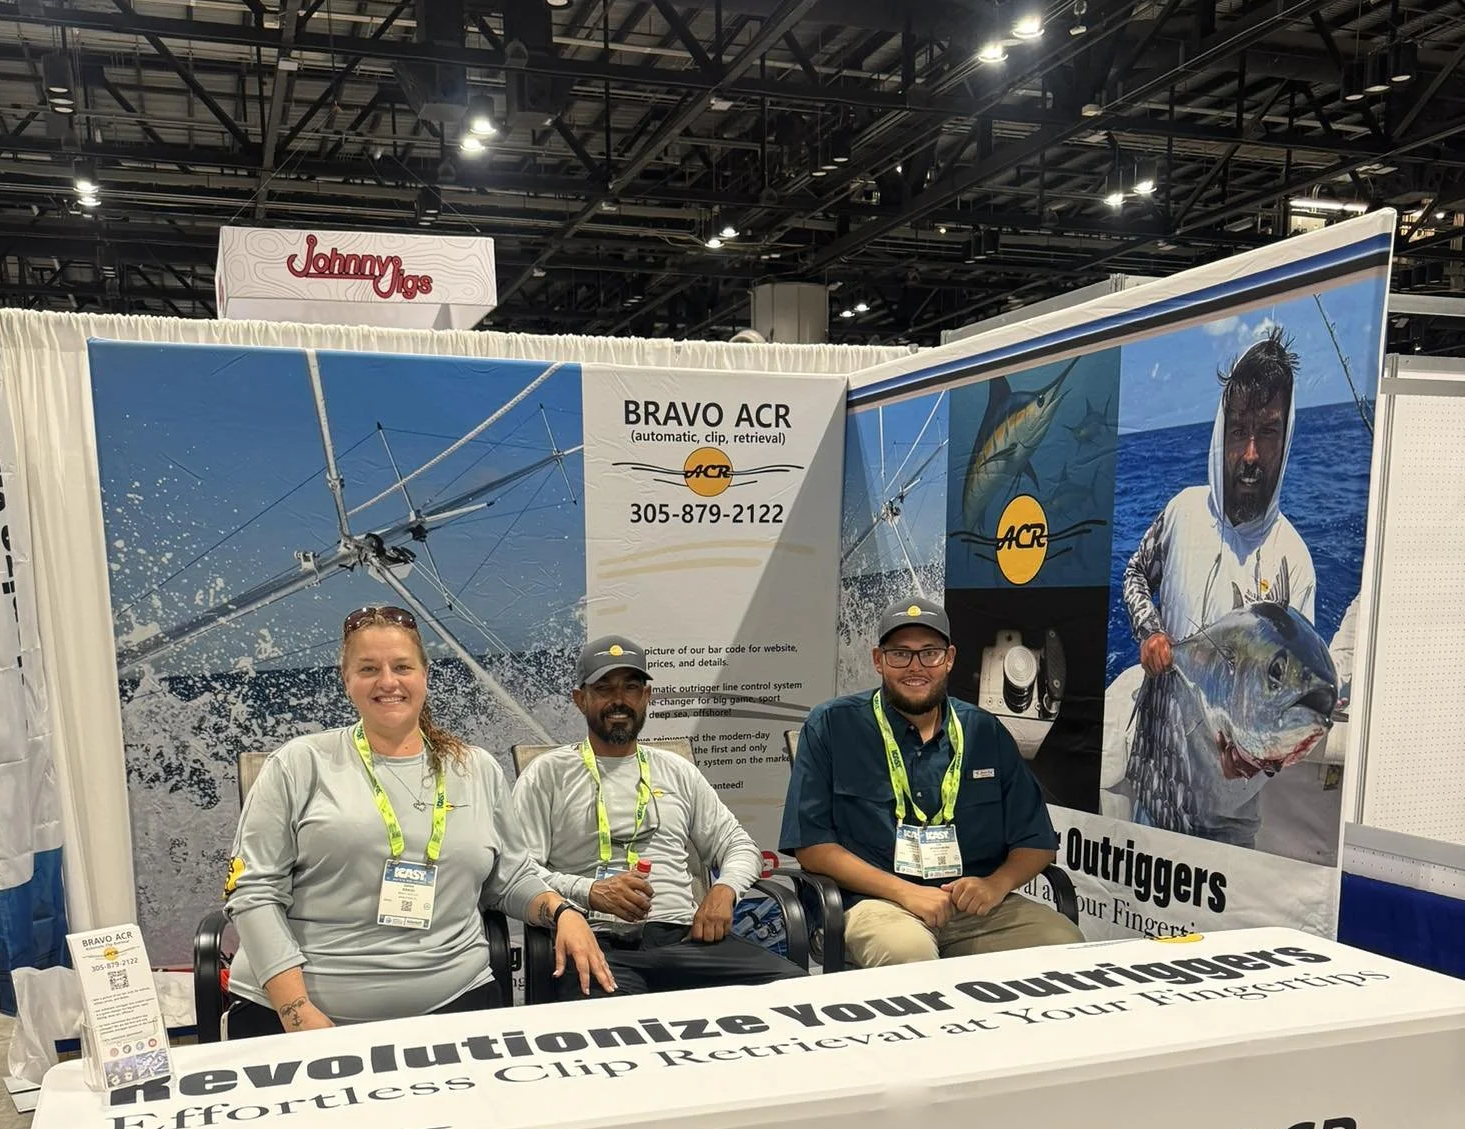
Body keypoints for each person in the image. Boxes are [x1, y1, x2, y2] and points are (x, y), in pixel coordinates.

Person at [223, 604, 613, 1036]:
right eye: (368, 669)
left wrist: (563, 912)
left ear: (425, 675)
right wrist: (296, 1012)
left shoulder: (476, 769)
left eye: (402, 667)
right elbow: (253, 892)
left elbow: (509, 879)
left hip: (456, 999)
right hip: (303, 1015)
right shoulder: (298, 764)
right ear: (346, 680)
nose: (388, 681)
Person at [781, 599, 1083, 966]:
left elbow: (1036, 842)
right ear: (878, 660)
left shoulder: (985, 732)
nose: (916, 667)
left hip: (975, 908)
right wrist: (905, 892)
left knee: (1063, 944)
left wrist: (995, 885)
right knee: (909, 954)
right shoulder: (831, 725)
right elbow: (812, 847)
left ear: (949, 658)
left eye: (930, 653)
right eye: (900, 654)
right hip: (876, 903)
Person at [513, 634, 805, 997]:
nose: (619, 700)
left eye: (631, 687)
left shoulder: (676, 770)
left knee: (797, 991)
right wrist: (589, 892)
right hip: (595, 941)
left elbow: (738, 846)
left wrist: (724, 889)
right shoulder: (547, 774)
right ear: (580, 699)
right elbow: (518, 872)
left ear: (646, 697)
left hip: (685, 939)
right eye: (603, 688)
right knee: (621, 1020)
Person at [1122, 328, 1315, 846]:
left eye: (1268, 431)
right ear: (1220, 432)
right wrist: (1150, 630)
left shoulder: (1294, 560)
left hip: (1229, 819)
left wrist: (1263, 761)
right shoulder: (1181, 512)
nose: (1250, 453)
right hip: (1156, 791)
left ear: (1287, 436)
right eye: (1238, 430)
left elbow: (1297, 702)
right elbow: (1134, 573)